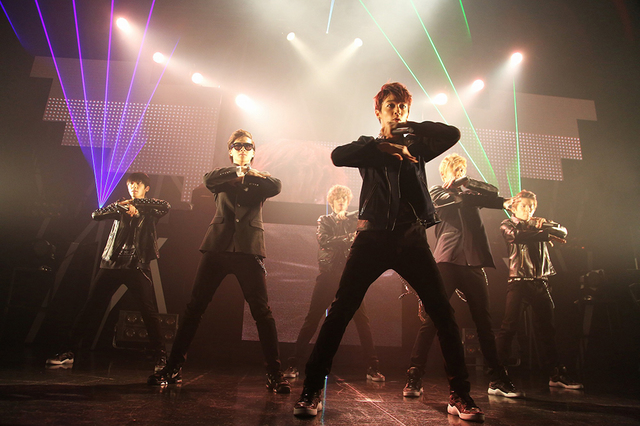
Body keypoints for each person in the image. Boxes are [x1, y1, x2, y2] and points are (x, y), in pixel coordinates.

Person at [293, 82, 484, 422]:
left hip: (411, 239)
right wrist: (382, 146)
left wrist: (412, 129)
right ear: (378, 111)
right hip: (371, 238)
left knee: (443, 314)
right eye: (391, 106)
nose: (397, 111)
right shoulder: (368, 147)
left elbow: (452, 133)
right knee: (340, 311)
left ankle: (460, 395)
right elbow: (338, 156)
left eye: (402, 107)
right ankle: (311, 390)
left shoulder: (418, 147)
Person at [147, 129, 291, 393]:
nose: (243, 150)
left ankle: (274, 373)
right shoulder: (221, 178)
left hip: (248, 249)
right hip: (217, 247)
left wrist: (251, 174)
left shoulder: (261, 180)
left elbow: (277, 186)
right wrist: (238, 172)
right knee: (194, 308)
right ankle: (173, 368)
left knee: (262, 312)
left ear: (254, 152)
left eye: (248, 146)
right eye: (238, 146)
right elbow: (207, 179)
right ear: (230, 151)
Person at [402, 154, 523, 400]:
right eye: (454, 171)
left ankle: (497, 378)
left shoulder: (470, 191)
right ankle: (415, 374)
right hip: (446, 260)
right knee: (432, 319)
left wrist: (472, 185)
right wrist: (498, 202)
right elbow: (461, 200)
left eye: (461, 170)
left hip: (473, 262)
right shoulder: (436, 192)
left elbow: (492, 190)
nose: (458, 174)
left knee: (484, 323)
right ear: (444, 174)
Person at [46, 172, 169, 371]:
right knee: (90, 308)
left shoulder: (152, 210)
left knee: (148, 312)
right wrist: (122, 206)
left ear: (146, 188)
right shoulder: (119, 206)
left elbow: (166, 206)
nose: (134, 187)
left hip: (137, 266)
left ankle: (161, 357)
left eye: (138, 184)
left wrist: (136, 206)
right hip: (111, 265)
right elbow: (96, 215)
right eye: (131, 184)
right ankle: (68, 352)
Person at [283, 184, 384, 382]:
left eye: (344, 199)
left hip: (350, 277)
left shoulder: (355, 220)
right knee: (312, 319)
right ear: (332, 202)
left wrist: (351, 227)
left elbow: (365, 233)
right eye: (338, 199)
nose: (341, 202)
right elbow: (324, 240)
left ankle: (373, 367)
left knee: (362, 321)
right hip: (328, 275)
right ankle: (293, 363)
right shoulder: (325, 220)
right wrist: (349, 237)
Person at [495, 190, 583, 390]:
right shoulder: (507, 224)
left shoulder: (540, 223)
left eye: (532, 206)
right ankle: (497, 376)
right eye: (524, 206)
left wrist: (545, 227)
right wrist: (544, 232)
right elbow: (517, 236)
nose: (529, 210)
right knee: (509, 328)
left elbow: (563, 231)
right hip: (518, 282)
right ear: (514, 207)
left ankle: (555, 374)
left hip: (540, 283)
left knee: (547, 330)